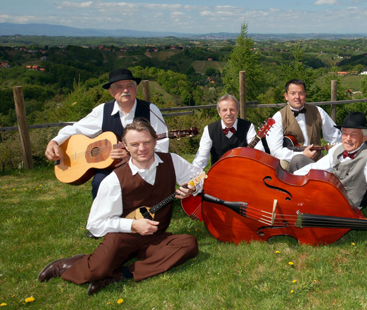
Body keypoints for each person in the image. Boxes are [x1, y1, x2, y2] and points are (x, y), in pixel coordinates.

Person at [37, 118, 200, 295]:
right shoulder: (114, 180)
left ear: (155, 142)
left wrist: (192, 187)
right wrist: (132, 225)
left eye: (146, 142)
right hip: (123, 238)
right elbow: (95, 224)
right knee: (96, 270)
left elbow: (199, 177)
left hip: (155, 237)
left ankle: (121, 274)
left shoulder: (171, 161)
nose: (142, 148)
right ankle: (70, 264)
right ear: (125, 147)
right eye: (134, 144)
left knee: (188, 244)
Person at [45, 68, 169, 199]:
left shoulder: (150, 110)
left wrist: (133, 158)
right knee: (99, 182)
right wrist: (55, 141)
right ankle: (102, 217)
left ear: (136, 88)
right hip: (110, 167)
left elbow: (162, 146)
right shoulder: (102, 110)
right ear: (111, 92)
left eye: (129, 86)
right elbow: (76, 129)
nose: (125, 90)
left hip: (143, 166)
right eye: (119, 87)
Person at [293, 112, 367, 223]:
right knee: (299, 167)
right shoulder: (337, 149)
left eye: (354, 134)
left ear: (364, 137)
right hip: (331, 195)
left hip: (349, 205)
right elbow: (317, 168)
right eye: (345, 133)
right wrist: (291, 179)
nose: (348, 139)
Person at [264, 79, 341, 172]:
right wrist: (302, 155)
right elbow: (276, 150)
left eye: (301, 93)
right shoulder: (278, 116)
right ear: (286, 96)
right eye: (293, 93)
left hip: (316, 160)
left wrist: (329, 158)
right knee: (289, 164)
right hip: (290, 160)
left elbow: (335, 136)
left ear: (305, 95)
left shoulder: (318, 111)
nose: (297, 97)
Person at [192, 94, 264, 170]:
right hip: (218, 175)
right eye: (224, 110)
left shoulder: (248, 126)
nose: (229, 113)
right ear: (219, 113)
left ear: (237, 111)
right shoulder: (209, 129)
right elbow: (201, 158)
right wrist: (191, 177)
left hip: (243, 173)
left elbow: (259, 151)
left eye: (232, 109)